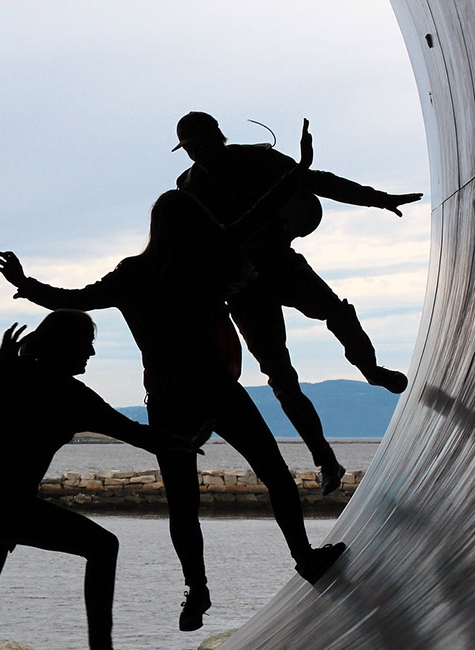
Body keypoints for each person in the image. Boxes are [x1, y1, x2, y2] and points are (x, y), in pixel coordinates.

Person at [0, 120, 345, 633]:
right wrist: (300, 172)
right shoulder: (208, 265)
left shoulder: (131, 275)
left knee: (184, 503)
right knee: (273, 472)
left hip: (167, 399)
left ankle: (197, 591)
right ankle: (305, 557)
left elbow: (74, 300)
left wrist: (27, 284)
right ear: (195, 223)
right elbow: (257, 215)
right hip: (218, 389)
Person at [0, 311, 192, 650]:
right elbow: (139, 435)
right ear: (65, 344)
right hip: (1, 503)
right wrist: (182, 443)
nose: (91, 351)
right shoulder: (64, 392)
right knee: (102, 546)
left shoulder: (26, 377)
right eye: (86, 342)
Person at [173, 111, 421, 494]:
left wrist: (377, 199)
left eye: (200, 145)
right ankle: (325, 460)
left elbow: (315, 181)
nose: (196, 155)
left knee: (337, 312)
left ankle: (371, 370)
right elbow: (194, 250)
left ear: (218, 137)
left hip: (281, 264)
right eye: (190, 149)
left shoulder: (258, 159)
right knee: (281, 379)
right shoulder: (186, 187)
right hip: (242, 290)